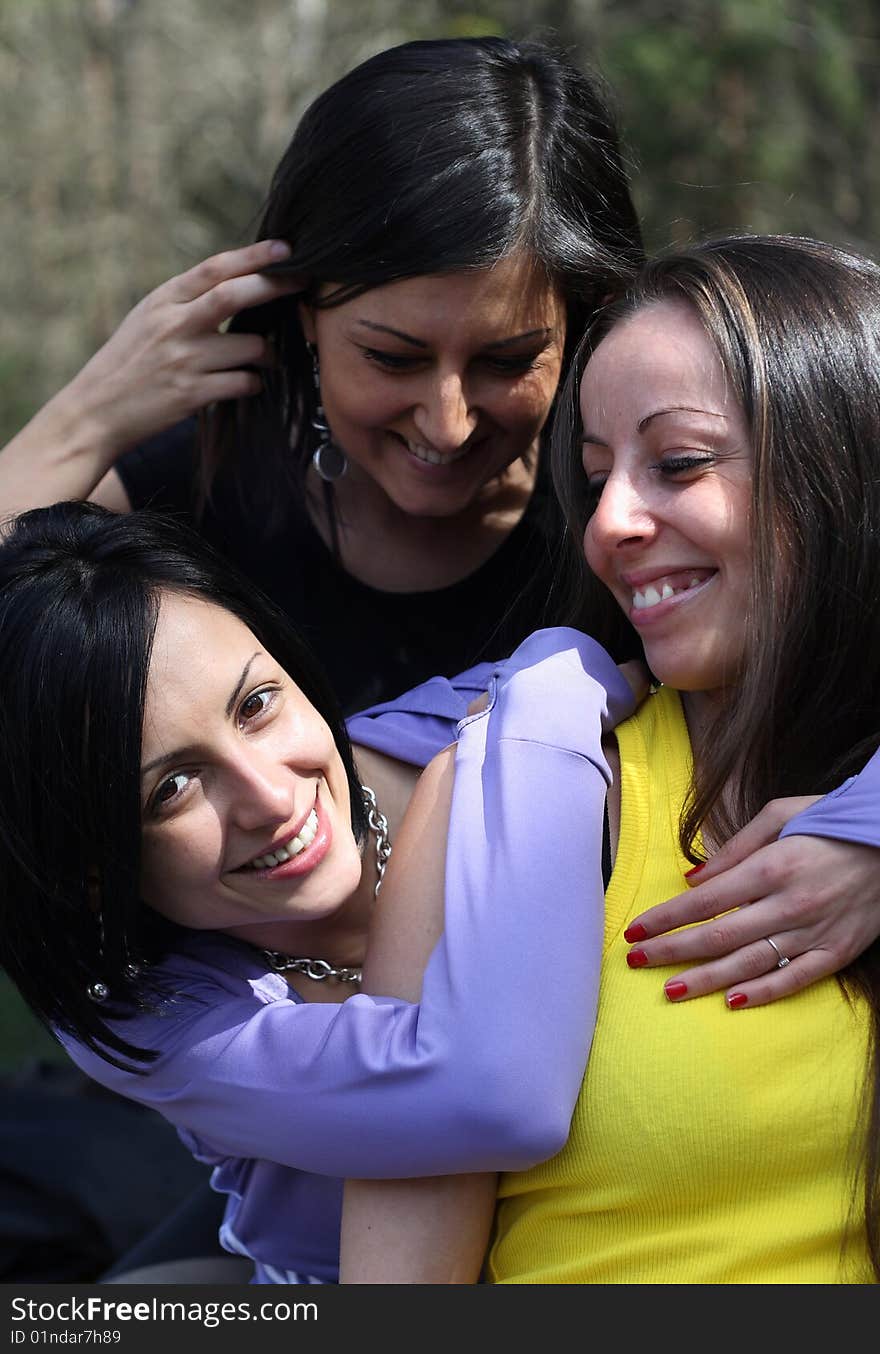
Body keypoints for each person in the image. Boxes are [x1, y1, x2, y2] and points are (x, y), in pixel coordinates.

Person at [2, 35, 878, 1009]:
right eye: (392, 356)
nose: (447, 421)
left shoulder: (634, 518)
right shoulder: (199, 490)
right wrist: (80, 419)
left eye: (507, 360)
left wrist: (870, 830)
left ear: (583, 323)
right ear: (301, 315)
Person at [339, 234, 880, 1284]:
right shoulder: (508, 802)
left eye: (677, 463)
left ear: (844, 468)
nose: (612, 525)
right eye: (594, 480)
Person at [0, 499, 640, 1284]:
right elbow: (500, 1099)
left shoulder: (446, 726)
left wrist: (843, 836)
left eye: (255, 705)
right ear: (91, 870)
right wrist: (554, 682)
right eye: (171, 788)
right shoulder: (144, 1013)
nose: (270, 798)